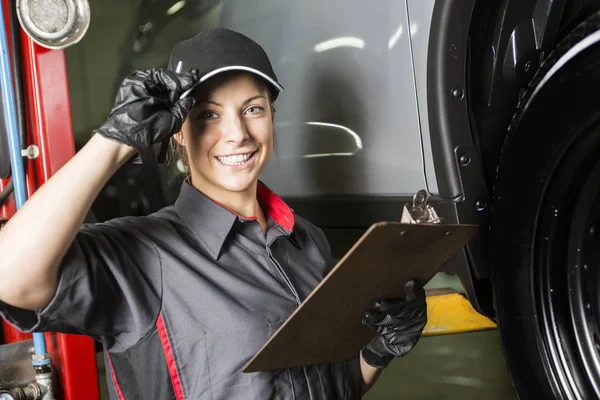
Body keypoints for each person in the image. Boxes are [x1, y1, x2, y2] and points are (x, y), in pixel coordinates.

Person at [0, 28, 427, 399]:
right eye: (208, 114)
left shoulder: (307, 242)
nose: (237, 133)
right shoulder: (145, 257)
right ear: (178, 133)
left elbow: (333, 385)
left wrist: (377, 351)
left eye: (253, 109)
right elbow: (10, 277)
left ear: (272, 117)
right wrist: (113, 141)